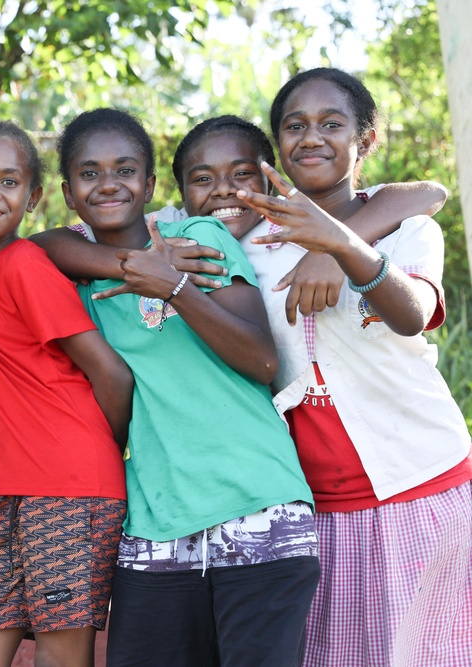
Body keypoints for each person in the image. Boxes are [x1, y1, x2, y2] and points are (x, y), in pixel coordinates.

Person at [35, 108, 321, 667]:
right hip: (154, 520)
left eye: (124, 168)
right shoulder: (77, 279)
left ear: (150, 184)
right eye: (90, 173)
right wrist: (130, 265)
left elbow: (262, 360)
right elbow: (37, 245)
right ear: (69, 194)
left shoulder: (198, 234)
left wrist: (176, 287)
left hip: (256, 503)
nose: (109, 183)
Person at [233, 67, 472, 667]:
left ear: (365, 142)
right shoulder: (251, 242)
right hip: (313, 506)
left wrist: (344, 250)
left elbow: (414, 313)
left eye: (331, 124)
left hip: (420, 481)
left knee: (425, 652)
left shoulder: (407, 230)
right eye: (295, 125)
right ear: (278, 145)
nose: (311, 137)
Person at [0, 122, 131, 667]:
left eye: (8, 180)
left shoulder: (26, 264)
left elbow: (111, 375)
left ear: (33, 198)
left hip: (70, 492)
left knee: (61, 657)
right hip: (6, 496)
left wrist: (98, 453)